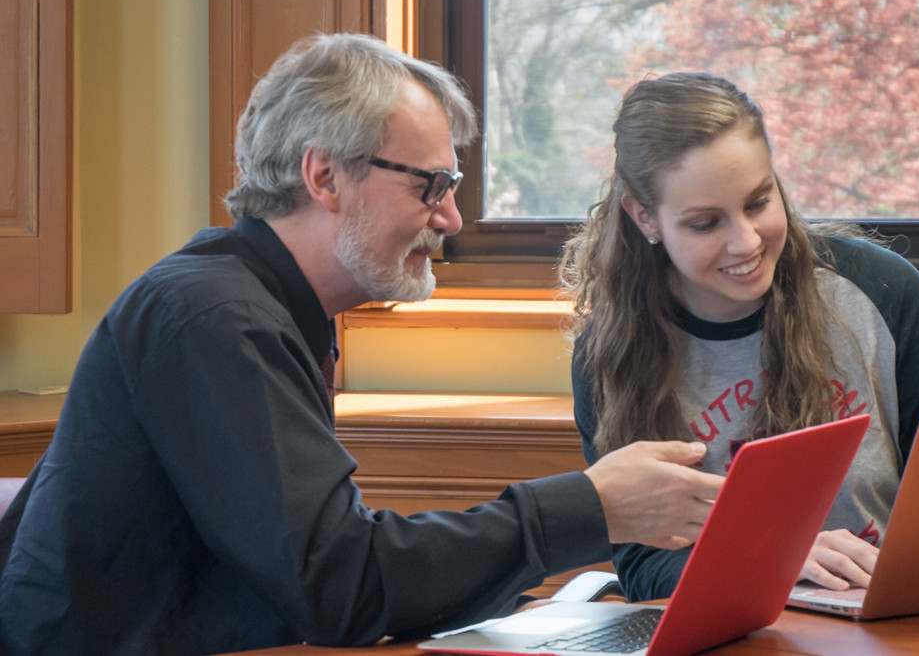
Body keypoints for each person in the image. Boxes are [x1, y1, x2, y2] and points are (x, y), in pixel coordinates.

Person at [0, 34, 726, 655]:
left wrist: (487, 605)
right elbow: (337, 584)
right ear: (323, 176)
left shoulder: (257, 305)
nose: (451, 217)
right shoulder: (213, 316)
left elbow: (312, 571)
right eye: (431, 185)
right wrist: (590, 506)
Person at [559, 72, 919, 602]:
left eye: (759, 201)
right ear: (645, 217)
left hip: (889, 616)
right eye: (706, 223)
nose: (746, 242)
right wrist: (771, 558)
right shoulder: (608, 352)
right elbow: (643, 566)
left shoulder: (884, 292)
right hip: (732, 627)